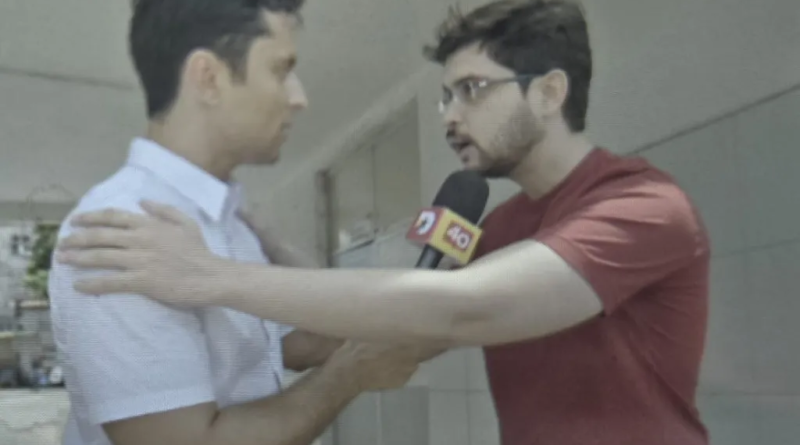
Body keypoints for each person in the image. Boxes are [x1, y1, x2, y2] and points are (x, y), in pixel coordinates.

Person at [57, 1, 711, 444]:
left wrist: (211, 276)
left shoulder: (641, 206)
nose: (449, 115)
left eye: (472, 90)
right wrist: (273, 245)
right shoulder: (501, 224)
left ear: (548, 92)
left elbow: (466, 308)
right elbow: (399, 311)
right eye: (445, 96)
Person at [49, 2, 435, 445]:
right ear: (209, 78)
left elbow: (294, 342)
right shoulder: (123, 230)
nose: (299, 97)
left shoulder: (229, 221)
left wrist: (411, 323)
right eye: (280, 70)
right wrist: (348, 374)